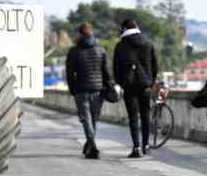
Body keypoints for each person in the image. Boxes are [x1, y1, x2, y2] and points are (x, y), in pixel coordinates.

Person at [65, 22, 111, 159]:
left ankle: (93, 146)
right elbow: (106, 72)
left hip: (81, 91)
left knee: (86, 120)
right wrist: (109, 86)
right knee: (93, 120)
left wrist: (73, 89)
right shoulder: (101, 50)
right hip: (98, 90)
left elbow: (69, 73)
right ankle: (89, 146)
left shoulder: (74, 51)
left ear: (79, 34)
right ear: (92, 33)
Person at [113, 18, 158, 158]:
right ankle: (146, 145)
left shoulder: (120, 46)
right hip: (146, 85)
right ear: (137, 27)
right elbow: (155, 66)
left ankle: (136, 148)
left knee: (133, 118)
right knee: (145, 115)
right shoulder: (148, 44)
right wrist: (151, 82)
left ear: (125, 29)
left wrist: (121, 83)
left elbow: (116, 69)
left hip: (130, 86)